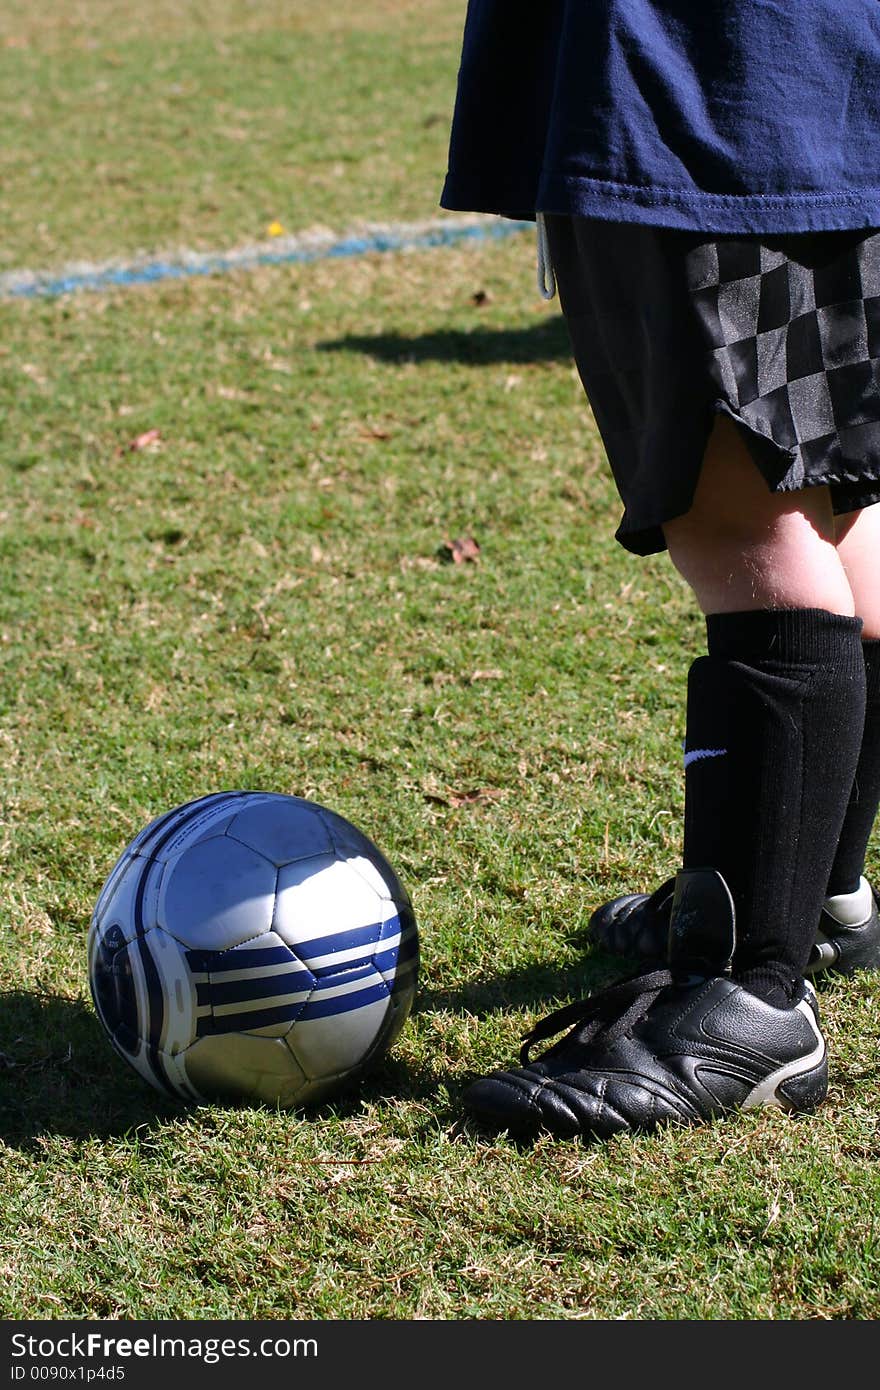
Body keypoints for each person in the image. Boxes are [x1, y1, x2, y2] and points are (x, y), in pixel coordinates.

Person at [440, 1, 880, 1141]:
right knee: (839, 501)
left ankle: (749, 1001)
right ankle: (819, 893)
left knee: (747, 526)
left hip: (703, 83)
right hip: (830, 80)